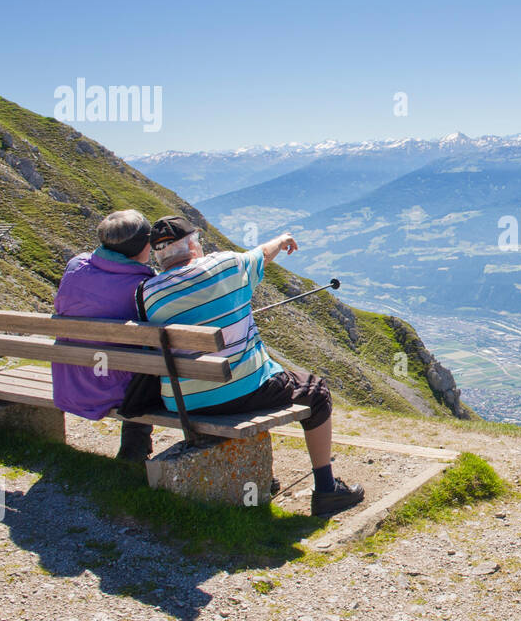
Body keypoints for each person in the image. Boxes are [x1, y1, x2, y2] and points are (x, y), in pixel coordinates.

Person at [137, 216, 364, 517]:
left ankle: (263, 480)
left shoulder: (147, 292)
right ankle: (326, 489)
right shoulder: (227, 266)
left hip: (182, 401)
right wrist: (283, 239)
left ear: (158, 254)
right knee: (317, 391)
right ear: (192, 244)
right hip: (240, 392)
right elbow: (262, 254)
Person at [51, 210, 158, 462]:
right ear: (141, 245)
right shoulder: (144, 284)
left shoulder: (76, 265)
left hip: (70, 379)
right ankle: (133, 448)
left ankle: (136, 447)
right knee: (150, 366)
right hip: (115, 388)